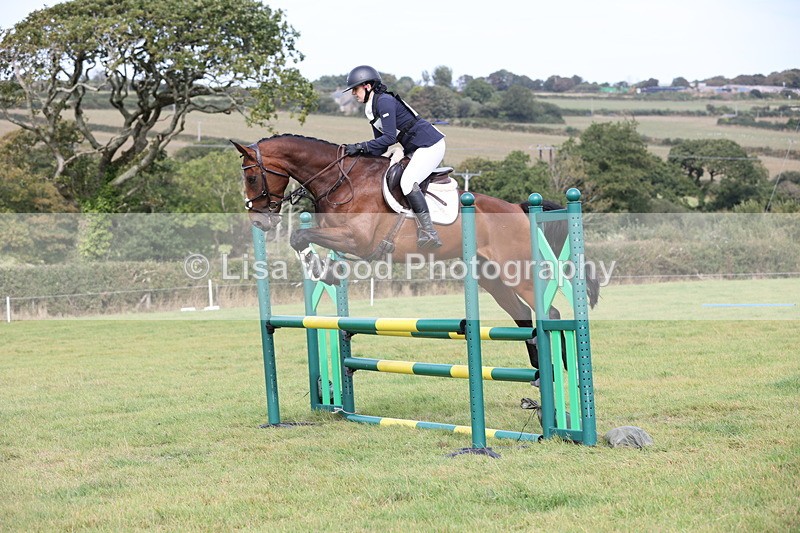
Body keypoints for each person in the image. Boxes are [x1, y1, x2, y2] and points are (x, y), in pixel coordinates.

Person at [343, 65, 445, 249]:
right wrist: (356, 157)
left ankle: (429, 232)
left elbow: (389, 137)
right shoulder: (371, 107)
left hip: (430, 145)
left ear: (367, 86)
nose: (353, 94)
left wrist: (360, 146)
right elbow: (380, 145)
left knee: (407, 182)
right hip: (415, 149)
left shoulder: (384, 101)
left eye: (355, 89)